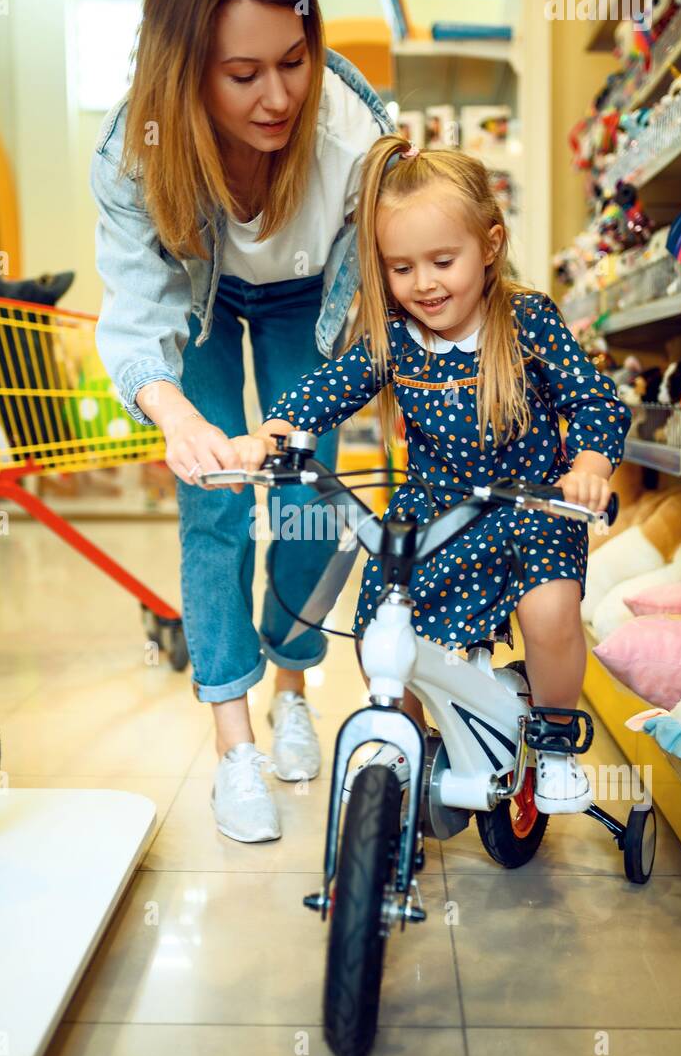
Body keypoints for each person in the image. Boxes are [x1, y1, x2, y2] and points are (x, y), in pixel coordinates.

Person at [89, 0, 395, 844]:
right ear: (185, 69)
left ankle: (293, 683)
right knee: (214, 505)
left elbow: (405, 266)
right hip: (201, 298)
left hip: (313, 295)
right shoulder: (133, 157)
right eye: (242, 73)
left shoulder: (359, 138)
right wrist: (175, 414)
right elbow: (137, 312)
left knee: (310, 497)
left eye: (294, 61)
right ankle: (233, 744)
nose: (279, 97)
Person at [232, 134, 633, 813]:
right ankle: (402, 733)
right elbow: (333, 385)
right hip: (435, 510)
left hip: (533, 504)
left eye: (443, 260)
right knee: (382, 617)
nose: (424, 283)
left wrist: (589, 467)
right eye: (401, 268)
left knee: (551, 612)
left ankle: (558, 743)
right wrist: (282, 428)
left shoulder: (525, 320)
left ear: (490, 245)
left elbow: (594, 400)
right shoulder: (392, 337)